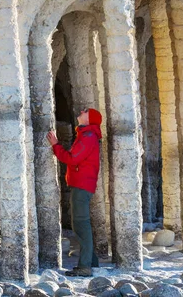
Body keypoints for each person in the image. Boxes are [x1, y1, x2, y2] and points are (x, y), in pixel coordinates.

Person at [47, 108, 102, 277]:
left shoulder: (88, 137)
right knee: (81, 223)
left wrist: (56, 145)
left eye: (85, 111)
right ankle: (92, 263)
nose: (81, 111)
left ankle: (85, 266)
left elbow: (72, 158)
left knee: (80, 224)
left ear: (90, 118)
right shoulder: (86, 135)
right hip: (81, 184)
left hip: (82, 186)